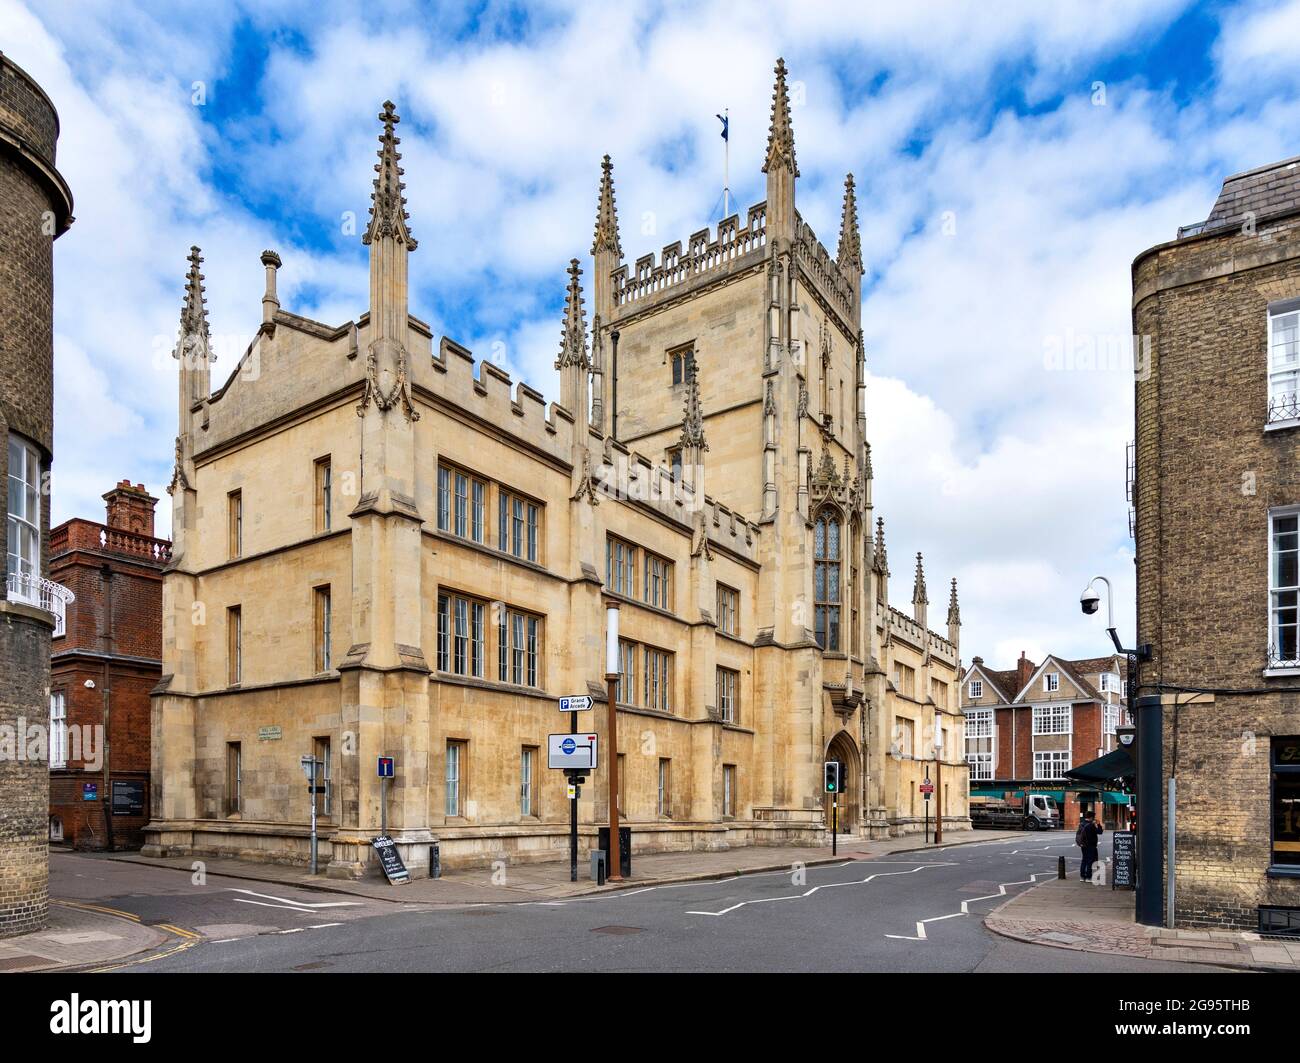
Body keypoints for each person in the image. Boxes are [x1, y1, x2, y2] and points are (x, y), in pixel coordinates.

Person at [1078, 809, 1104, 880]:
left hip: (1083, 845)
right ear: (1091, 817)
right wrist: (1098, 824)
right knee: (1090, 861)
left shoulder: (1081, 824)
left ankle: (1082, 876)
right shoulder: (1091, 825)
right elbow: (1100, 832)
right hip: (1091, 845)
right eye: (1093, 817)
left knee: (1084, 860)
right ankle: (1088, 877)